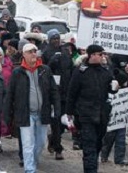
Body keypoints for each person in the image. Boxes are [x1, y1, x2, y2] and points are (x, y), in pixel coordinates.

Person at [3, 43, 60, 173]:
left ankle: (33, 162)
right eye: (30, 51)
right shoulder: (17, 72)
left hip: (42, 113)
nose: (33, 53)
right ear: (23, 54)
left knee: (40, 143)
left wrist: (57, 108)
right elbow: (10, 94)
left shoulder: (45, 70)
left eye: (35, 51)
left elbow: (54, 91)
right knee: (28, 144)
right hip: (25, 114)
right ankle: (29, 170)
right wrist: (6, 115)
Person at [66, 44, 119, 173]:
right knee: (89, 146)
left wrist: (115, 87)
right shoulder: (80, 72)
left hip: (101, 115)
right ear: (92, 55)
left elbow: (111, 90)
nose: (103, 57)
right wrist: (69, 112)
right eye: (100, 54)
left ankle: (91, 165)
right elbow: (72, 93)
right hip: (86, 115)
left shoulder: (105, 71)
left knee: (97, 145)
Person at [42, 30, 73, 160]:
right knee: (55, 120)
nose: (56, 40)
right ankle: (58, 149)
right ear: (49, 40)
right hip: (53, 93)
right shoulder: (45, 52)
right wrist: (51, 62)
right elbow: (43, 71)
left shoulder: (65, 51)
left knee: (62, 123)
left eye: (57, 38)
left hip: (65, 91)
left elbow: (70, 69)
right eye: (53, 38)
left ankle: (53, 139)